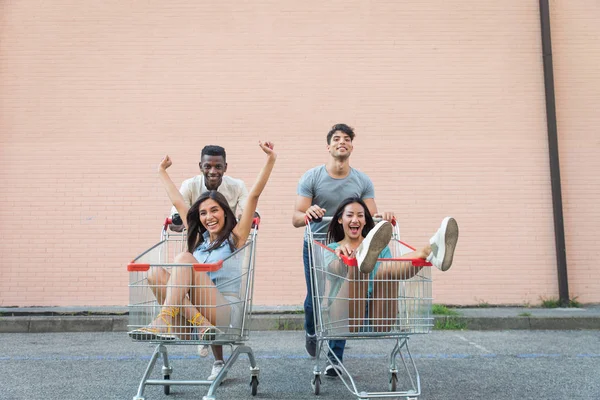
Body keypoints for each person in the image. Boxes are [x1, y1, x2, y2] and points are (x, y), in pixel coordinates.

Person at [129, 141, 276, 382]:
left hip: (224, 315)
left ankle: (162, 319)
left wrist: (270, 160)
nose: (209, 217)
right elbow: (178, 201)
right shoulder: (199, 239)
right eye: (203, 213)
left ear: (225, 212)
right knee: (155, 272)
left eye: (215, 210)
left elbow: (254, 196)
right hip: (195, 321)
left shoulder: (236, 238)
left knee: (184, 258)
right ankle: (196, 322)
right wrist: (161, 171)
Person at [292, 123, 394, 378]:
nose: (342, 142)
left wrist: (386, 217)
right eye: (336, 139)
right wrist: (308, 213)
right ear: (329, 146)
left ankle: (335, 357)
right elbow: (295, 217)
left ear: (351, 146)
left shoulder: (361, 180)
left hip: (349, 247)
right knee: (315, 298)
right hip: (318, 245)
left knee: (343, 293)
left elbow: (372, 217)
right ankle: (312, 330)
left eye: (346, 139)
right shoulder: (312, 177)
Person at [324, 197, 458, 344]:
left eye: (360, 215)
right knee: (356, 270)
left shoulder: (378, 246)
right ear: (340, 220)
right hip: (345, 317)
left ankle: (430, 251)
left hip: (379, 315)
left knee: (387, 268)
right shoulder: (332, 248)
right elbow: (333, 268)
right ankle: (359, 260)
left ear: (365, 221)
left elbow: (395, 269)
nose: (355, 219)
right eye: (349, 215)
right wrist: (346, 260)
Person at [169, 145, 256, 231]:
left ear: (225, 167)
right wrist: (179, 221)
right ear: (200, 167)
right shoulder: (189, 185)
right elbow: (176, 218)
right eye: (208, 166)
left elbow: (251, 211)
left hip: (228, 238)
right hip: (199, 239)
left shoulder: (237, 186)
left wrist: (249, 217)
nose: (213, 171)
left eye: (218, 167)